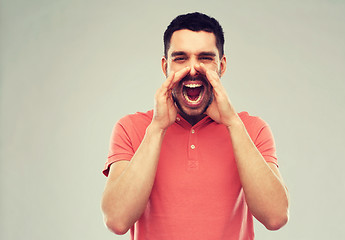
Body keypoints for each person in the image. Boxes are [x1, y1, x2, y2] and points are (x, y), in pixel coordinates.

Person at [101, 12, 289, 240]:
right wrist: (157, 128)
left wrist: (232, 123)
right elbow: (117, 220)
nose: (193, 69)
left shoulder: (251, 129)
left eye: (205, 58)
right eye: (180, 58)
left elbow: (276, 217)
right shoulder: (131, 128)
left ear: (222, 65)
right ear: (165, 66)